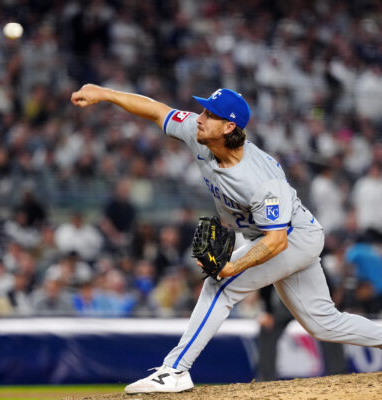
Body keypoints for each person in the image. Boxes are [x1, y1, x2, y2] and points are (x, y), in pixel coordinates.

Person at [71, 84, 382, 394]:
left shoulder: (261, 180)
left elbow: (276, 242)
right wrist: (106, 93)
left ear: (229, 126)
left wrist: (234, 267)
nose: (200, 118)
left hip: (292, 237)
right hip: (271, 235)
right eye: (204, 110)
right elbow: (157, 110)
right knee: (323, 323)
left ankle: (175, 370)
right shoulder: (200, 133)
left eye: (210, 114)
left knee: (219, 285)